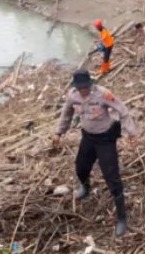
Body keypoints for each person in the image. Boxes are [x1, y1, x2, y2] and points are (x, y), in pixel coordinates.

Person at [54, 70, 138, 236]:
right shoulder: (72, 95)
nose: (83, 90)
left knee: (111, 177)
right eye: (80, 87)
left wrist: (132, 132)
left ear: (90, 84)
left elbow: (123, 111)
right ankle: (85, 186)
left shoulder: (103, 94)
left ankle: (122, 217)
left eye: (85, 86)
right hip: (88, 137)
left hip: (105, 138)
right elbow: (67, 114)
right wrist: (59, 132)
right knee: (81, 167)